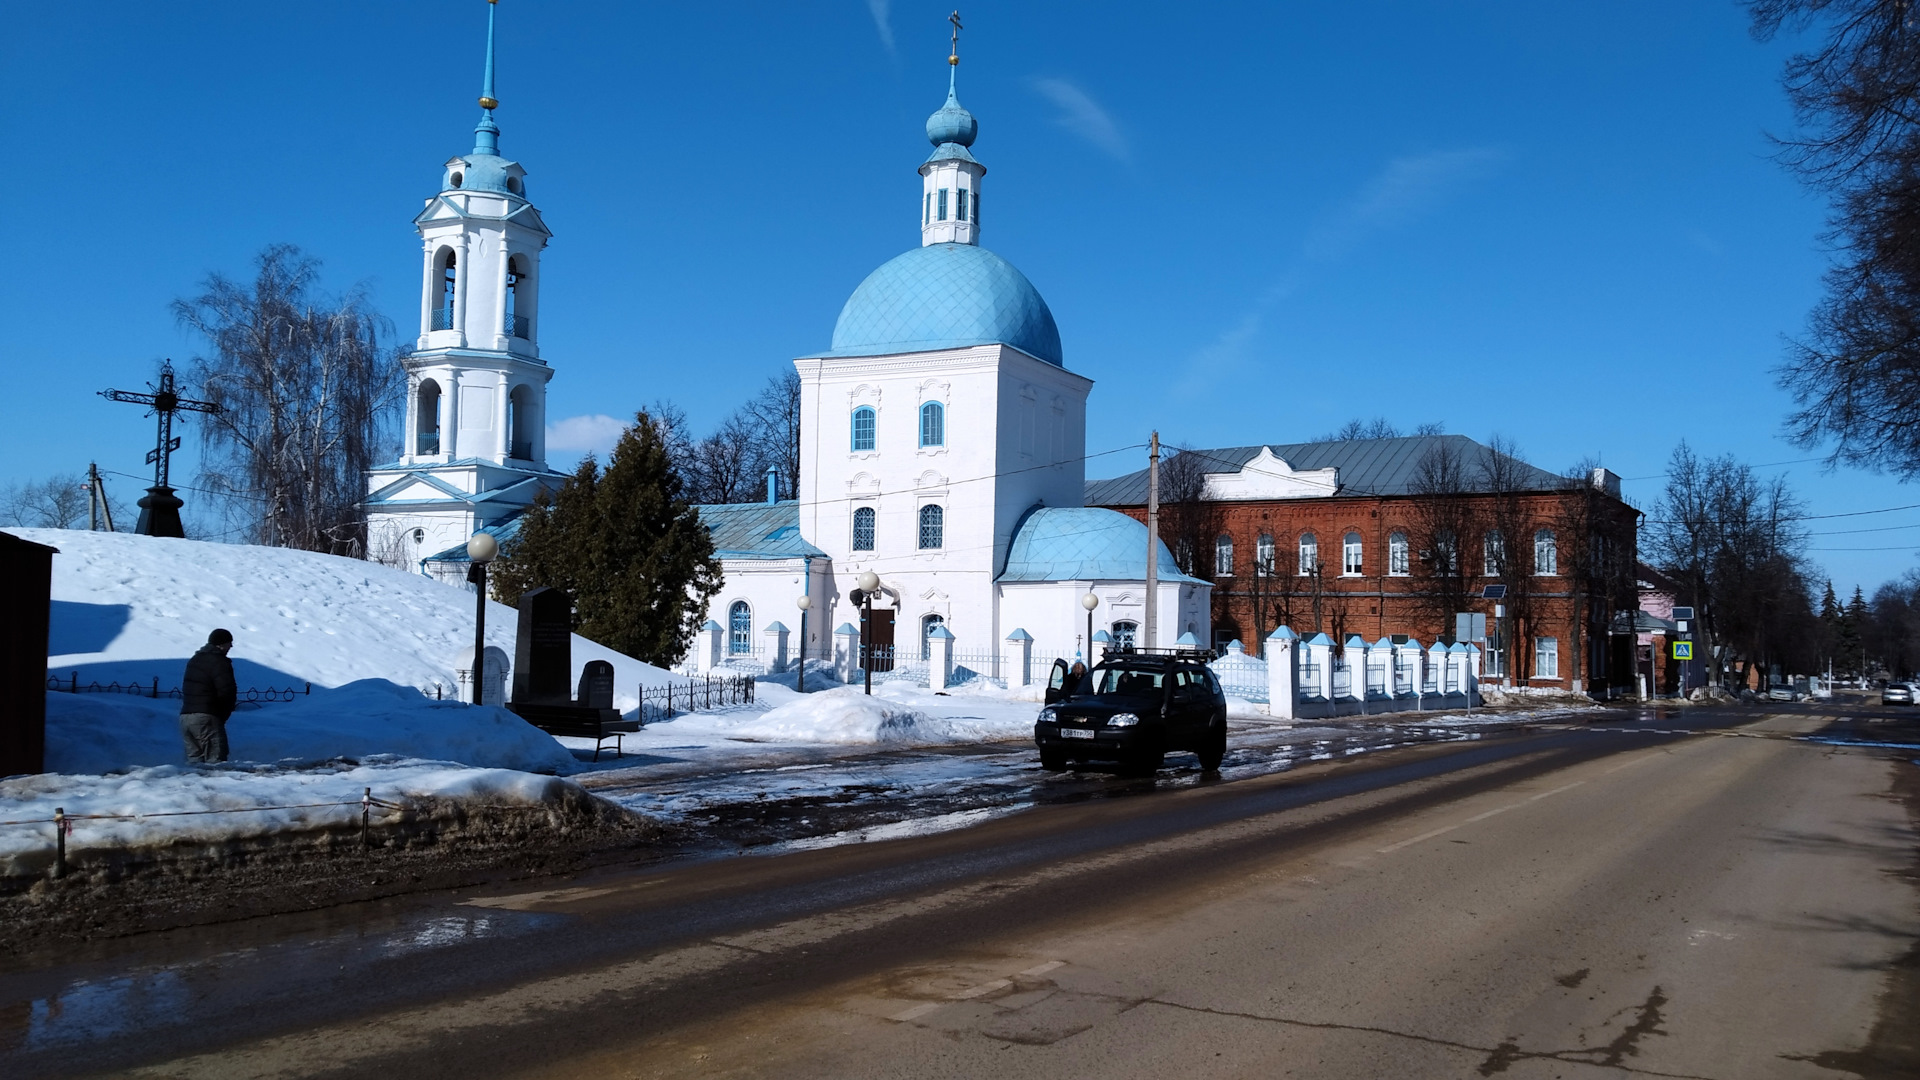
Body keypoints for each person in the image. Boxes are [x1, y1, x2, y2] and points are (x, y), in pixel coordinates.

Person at [180, 628, 237, 764]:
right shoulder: (219, 662)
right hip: (207, 717)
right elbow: (227, 692)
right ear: (222, 644)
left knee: (195, 766)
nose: (231, 647)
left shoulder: (194, 660)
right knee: (215, 764)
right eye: (230, 643)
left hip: (186, 717)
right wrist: (221, 716)